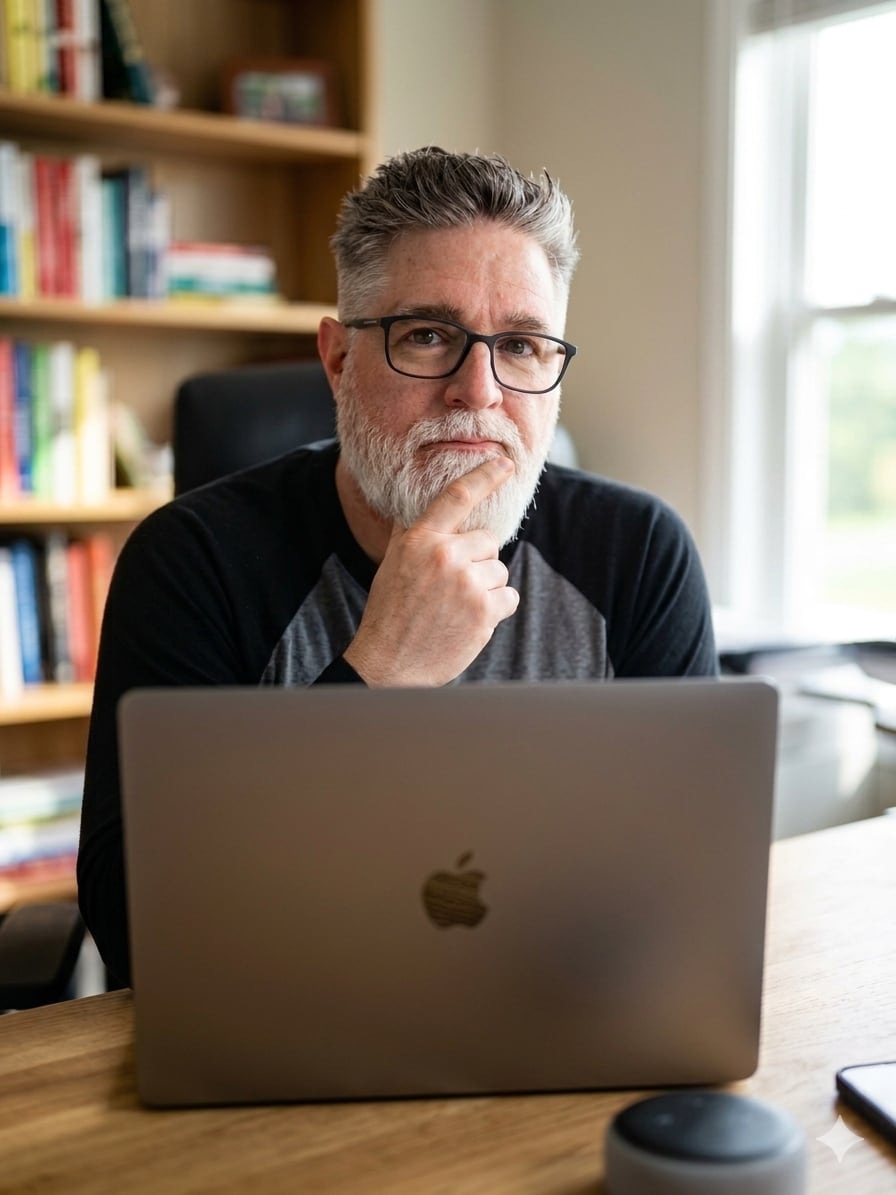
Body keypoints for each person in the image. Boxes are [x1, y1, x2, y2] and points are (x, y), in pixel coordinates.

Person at [78, 147, 718, 986]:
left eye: (521, 345)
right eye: (427, 336)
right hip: (285, 1023)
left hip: (559, 1017)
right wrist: (381, 671)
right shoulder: (190, 561)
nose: (479, 392)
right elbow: (141, 928)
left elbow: (696, 897)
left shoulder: (639, 555)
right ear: (339, 359)